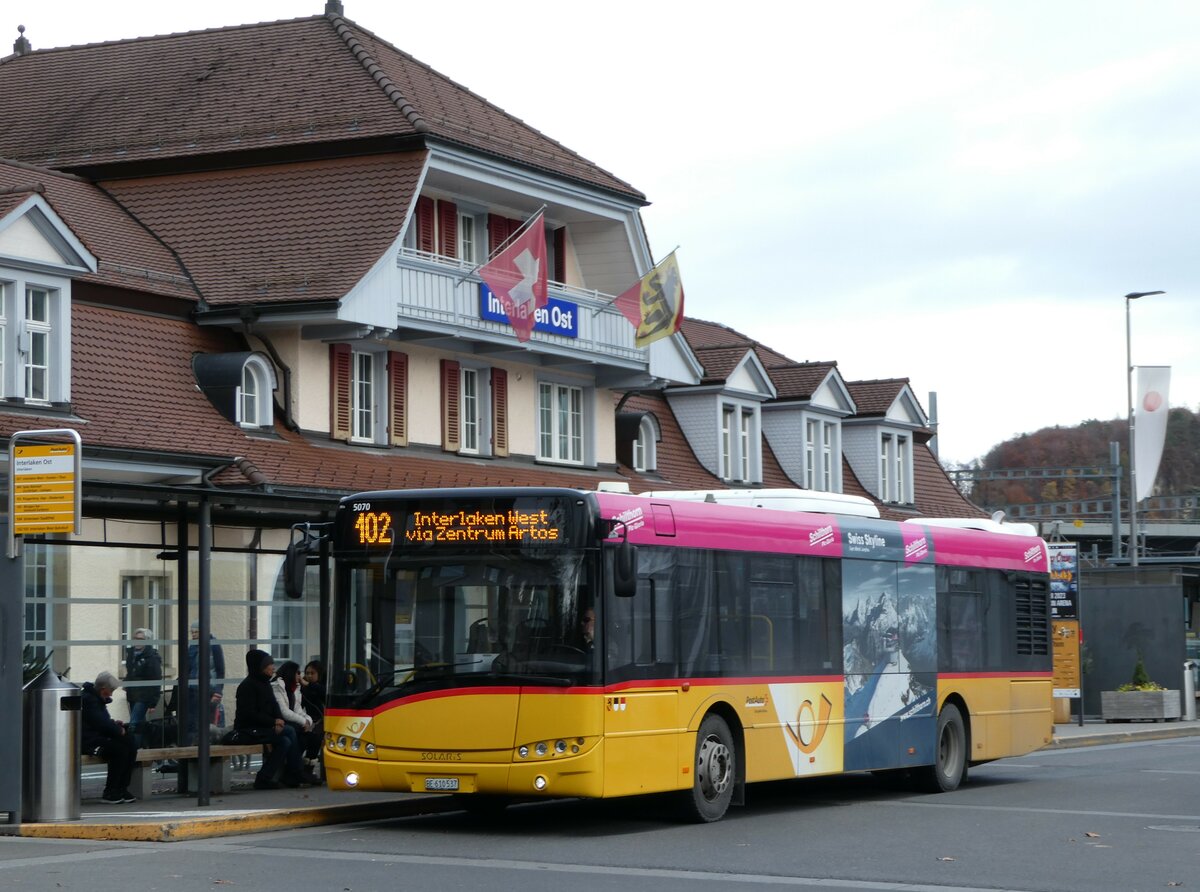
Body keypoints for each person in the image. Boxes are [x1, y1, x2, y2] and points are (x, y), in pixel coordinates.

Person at [233, 649, 316, 790]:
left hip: (262, 728)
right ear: (259, 667)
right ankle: (295, 772)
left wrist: (278, 719)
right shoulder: (247, 686)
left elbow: (274, 706)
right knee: (289, 731)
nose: (273, 667)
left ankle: (264, 778)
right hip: (248, 730)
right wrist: (273, 722)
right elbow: (249, 714)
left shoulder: (264, 683)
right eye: (269, 665)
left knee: (284, 741)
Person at [81, 670, 138, 805]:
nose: (111, 694)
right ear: (103, 689)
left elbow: (103, 722)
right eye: (110, 690)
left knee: (130, 743)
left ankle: (121, 788)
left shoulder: (96, 699)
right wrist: (117, 730)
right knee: (119, 750)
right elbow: (100, 723)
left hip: (97, 736)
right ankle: (111, 790)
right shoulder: (89, 700)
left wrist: (115, 725)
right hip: (89, 741)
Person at [272, 661, 321, 769]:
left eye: (312, 673)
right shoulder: (277, 686)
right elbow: (284, 712)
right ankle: (295, 769)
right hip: (279, 722)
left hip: (296, 721)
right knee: (296, 731)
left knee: (312, 737)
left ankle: (305, 770)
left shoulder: (295, 688)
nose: (301, 676)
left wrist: (307, 720)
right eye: (298, 673)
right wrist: (303, 722)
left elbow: (298, 709)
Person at [186, 620, 226, 745]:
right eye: (192, 632)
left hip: (210, 689)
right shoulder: (192, 646)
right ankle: (194, 750)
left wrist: (218, 691)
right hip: (193, 689)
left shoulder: (213, 645)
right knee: (193, 722)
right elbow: (188, 668)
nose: (194, 635)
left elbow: (220, 669)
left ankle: (208, 749)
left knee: (208, 722)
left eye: (196, 632)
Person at [124, 628, 162, 739]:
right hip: (132, 694)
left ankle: (133, 750)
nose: (137, 641)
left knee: (134, 725)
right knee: (140, 724)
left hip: (144, 696)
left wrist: (153, 702)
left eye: (141, 639)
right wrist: (126, 682)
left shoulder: (152, 658)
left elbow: (156, 679)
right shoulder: (131, 654)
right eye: (135, 638)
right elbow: (131, 673)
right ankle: (143, 748)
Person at [301, 660, 325, 761]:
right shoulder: (303, 688)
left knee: (316, 736)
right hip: (310, 719)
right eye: (307, 673)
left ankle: (310, 763)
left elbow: (322, 692)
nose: (309, 676)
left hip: (323, 720)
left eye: (312, 673)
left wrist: (308, 685)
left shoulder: (321, 686)